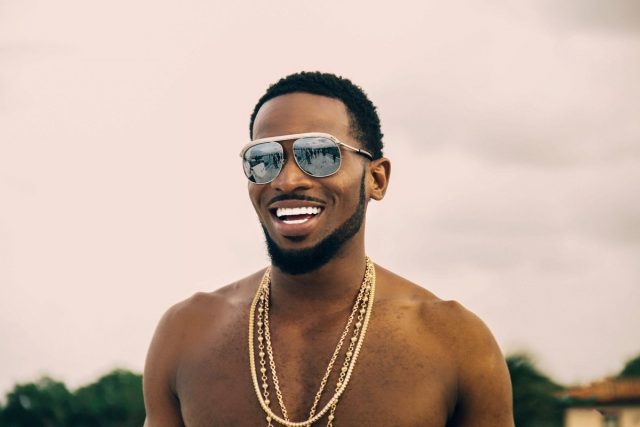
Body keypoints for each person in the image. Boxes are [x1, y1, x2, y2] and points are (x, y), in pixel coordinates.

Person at [143, 72, 514, 426]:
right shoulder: (187, 334)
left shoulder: (454, 342)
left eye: (319, 154)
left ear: (377, 179)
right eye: (264, 159)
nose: (287, 180)